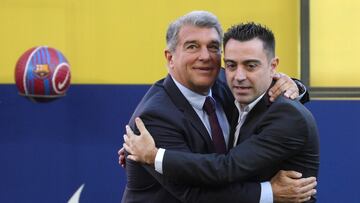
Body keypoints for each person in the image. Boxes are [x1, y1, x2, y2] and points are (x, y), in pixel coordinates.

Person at [121, 11, 316, 203]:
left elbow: (262, 82)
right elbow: (195, 193)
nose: (205, 56)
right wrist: (269, 193)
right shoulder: (153, 118)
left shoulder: (225, 84)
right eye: (192, 47)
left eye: (213, 47)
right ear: (170, 57)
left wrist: (294, 88)